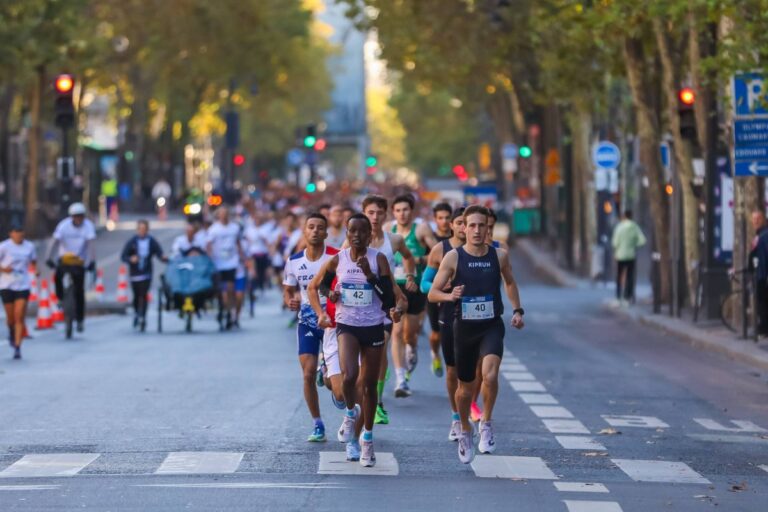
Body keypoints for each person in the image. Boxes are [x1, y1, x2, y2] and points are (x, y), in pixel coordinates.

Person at [429, 205, 525, 464]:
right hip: (464, 328)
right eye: (471, 225)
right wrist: (450, 296)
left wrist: (517, 310)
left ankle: (486, 422)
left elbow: (509, 282)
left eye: (482, 225)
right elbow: (432, 292)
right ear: (463, 227)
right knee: (464, 388)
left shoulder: (499, 256)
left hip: (491, 325)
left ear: (487, 228)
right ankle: (464, 428)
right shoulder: (453, 257)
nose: (476, 230)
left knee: (490, 374)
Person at [308, 214, 400, 467]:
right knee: (349, 376)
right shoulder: (338, 259)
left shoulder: (378, 259)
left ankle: (367, 439)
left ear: (370, 235)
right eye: (352, 231)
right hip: (347, 325)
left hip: (373, 327)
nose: (357, 235)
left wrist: (370, 276)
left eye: (362, 231)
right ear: (346, 234)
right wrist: (332, 294)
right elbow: (323, 287)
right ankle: (350, 413)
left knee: (369, 387)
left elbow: (389, 299)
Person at [283, 213, 339, 442]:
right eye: (311, 227)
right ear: (304, 232)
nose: (315, 231)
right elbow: (289, 289)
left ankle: (329, 376)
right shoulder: (294, 261)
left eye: (320, 228)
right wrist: (290, 300)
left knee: (332, 384)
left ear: (326, 233)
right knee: (306, 374)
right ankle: (317, 424)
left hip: (332, 323)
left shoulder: (336, 257)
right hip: (307, 321)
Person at [359, 195, 413, 418]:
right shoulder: (354, 240)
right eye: (370, 212)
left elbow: (408, 257)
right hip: (359, 306)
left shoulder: (395, 240)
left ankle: (378, 401)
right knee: (361, 358)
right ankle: (362, 396)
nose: (374, 217)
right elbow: (339, 265)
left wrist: (410, 275)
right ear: (364, 213)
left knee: (380, 350)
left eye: (379, 212)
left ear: (385, 215)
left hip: (384, 304)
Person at [422, 207, 466, 441]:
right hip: (449, 313)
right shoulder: (440, 249)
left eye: (466, 222)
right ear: (452, 225)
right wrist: (442, 289)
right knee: (453, 369)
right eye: (458, 222)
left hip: (478, 318)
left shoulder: (485, 251)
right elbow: (424, 284)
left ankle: (469, 410)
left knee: (478, 369)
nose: (463, 227)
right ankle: (456, 416)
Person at [388, 194, 437, 389]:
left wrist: (422, 260)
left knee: (410, 334)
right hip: (395, 287)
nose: (402, 214)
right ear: (393, 213)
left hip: (415, 287)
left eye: (406, 210)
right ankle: (400, 378)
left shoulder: (421, 229)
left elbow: (438, 251)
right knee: (397, 330)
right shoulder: (387, 231)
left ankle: (412, 348)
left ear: (412, 211)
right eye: (398, 210)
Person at [46, 202, 96, 333]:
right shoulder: (63, 226)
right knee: (57, 276)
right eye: (76, 216)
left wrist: (92, 261)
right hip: (65, 258)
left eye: (80, 216)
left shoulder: (88, 226)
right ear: (71, 216)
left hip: (80, 261)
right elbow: (54, 242)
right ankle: (61, 298)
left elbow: (91, 245)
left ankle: (79, 320)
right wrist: (48, 258)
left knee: (79, 290)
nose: (78, 219)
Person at [120, 220, 168, 331]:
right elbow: (123, 256)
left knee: (144, 294)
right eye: (140, 229)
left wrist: (163, 258)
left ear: (147, 230)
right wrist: (131, 259)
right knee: (136, 295)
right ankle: (137, 313)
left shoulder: (151, 241)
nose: (142, 231)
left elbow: (159, 253)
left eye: (144, 229)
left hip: (146, 272)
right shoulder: (132, 241)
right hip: (135, 273)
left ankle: (143, 317)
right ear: (137, 230)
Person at [0, 224, 37, 359]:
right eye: (16, 232)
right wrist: (4, 269)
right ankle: (11, 331)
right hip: (7, 285)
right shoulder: (4, 246)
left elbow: (33, 261)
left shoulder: (29, 246)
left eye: (21, 232)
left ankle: (17, 347)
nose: (19, 235)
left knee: (19, 315)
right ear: (11, 234)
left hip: (23, 285)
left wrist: (35, 270)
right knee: (10, 318)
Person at [207, 206, 246, 330]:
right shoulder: (214, 229)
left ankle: (229, 312)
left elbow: (238, 243)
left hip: (231, 263)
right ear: (218, 215)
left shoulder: (234, 228)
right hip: (218, 263)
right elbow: (208, 244)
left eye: (226, 214)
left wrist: (242, 256)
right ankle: (224, 309)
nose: (224, 216)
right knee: (221, 292)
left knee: (229, 289)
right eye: (221, 214)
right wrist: (210, 258)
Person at [426, 203, 453, 379]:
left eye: (447, 217)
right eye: (440, 218)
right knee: (436, 334)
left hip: (455, 298)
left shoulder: (462, 239)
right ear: (435, 220)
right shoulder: (432, 241)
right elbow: (426, 278)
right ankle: (435, 355)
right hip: (435, 294)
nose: (444, 221)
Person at [611, 210, 646, 304]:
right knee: (630, 277)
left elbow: (615, 242)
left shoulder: (619, 227)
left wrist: (617, 250)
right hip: (631, 255)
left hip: (620, 255)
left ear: (624, 217)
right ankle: (627, 296)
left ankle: (618, 296)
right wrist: (634, 244)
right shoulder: (634, 227)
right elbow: (642, 240)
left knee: (619, 276)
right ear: (631, 216)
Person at [749, 209, 768, 335]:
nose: (755, 221)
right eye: (754, 219)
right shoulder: (759, 235)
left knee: (763, 302)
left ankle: (764, 328)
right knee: (762, 302)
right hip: (760, 273)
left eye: (758, 218)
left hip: (763, 274)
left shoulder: (764, 235)